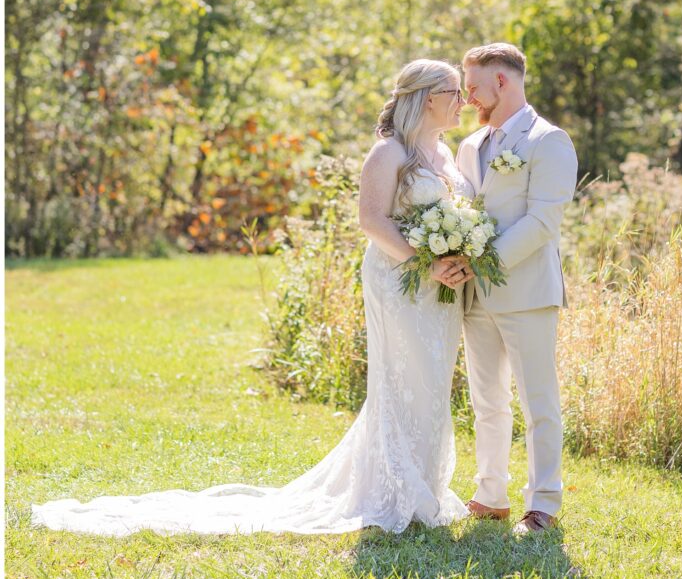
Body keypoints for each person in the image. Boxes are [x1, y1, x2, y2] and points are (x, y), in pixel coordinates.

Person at [31, 58, 476, 537]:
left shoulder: (446, 156)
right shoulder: (388, 153)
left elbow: (458, 215)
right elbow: (372, 221)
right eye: (455, 92)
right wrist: (423, 261)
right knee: (399, 377)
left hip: (438, 288)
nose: (464, 101)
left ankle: (423, 486)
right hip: (398, 279)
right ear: (429, 97)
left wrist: (457, 255)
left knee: (430, 380)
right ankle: (395, 490)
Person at [455, 42, 578, 534]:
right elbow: (463, 212)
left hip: (525, 290)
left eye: (474, 87)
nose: (467, 98)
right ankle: (491, 493)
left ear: (501, 82)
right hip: (474, 297)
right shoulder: (470, 145)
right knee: (487, 399)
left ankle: (544, 502)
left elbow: (543, 221)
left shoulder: (548, 140)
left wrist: (483, 261)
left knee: (538, 400)